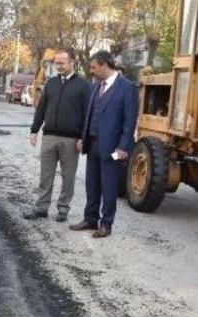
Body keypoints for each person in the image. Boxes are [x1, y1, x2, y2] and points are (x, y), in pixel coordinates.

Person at [70, 51, 139, 238]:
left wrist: (123, 147)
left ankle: (106, 224)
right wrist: (82, 138)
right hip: (92, 143)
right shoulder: (95, 87)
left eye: (93, 67)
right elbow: (89, 116)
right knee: (91, 184)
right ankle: (90, 219)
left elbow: (129, 121)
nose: (91, 71)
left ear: (104, 65)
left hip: (113, 148)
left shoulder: (127, 88)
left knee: (109, 187)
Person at [24, 49, 90, 222]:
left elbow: (87, 114)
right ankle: (41, 208)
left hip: (71, 140)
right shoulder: (51, 83)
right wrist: (34, 130)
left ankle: (63, 209)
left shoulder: (84, 86)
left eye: (62, 63)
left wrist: (83, 138)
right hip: (49, 137)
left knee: (68, 176)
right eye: (56, 63)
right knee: (45, 175)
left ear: (72, 63)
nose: (58, 66)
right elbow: (41, 109)